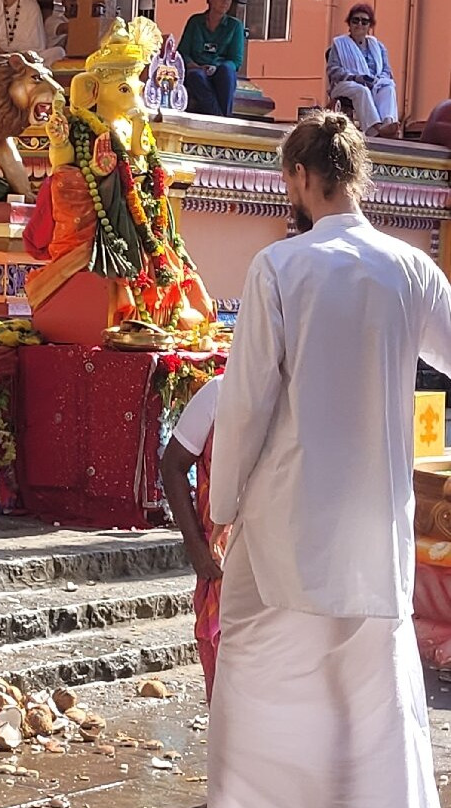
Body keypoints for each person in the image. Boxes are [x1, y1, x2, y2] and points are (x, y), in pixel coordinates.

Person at [207, 110, 450, 807]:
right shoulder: (411, 266)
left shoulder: (279, 265)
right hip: (376, 518)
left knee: (258, 668)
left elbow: (246, 401)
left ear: (298, 177)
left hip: (286, 513)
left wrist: (222, 508)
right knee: (371, 677)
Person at [161, 375, 223, 703]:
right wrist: (195, 547)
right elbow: (173, 464)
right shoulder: (220, 392)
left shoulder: (304, 395)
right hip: (222, 562)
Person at [327, 3, 399, 138]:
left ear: (370, 26)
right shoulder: (339, 44)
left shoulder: (378, 46)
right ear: (349, 24)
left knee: (388, 86)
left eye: (364, 21)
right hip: (345, 84)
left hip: (373, 83)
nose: (360, 24)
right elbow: (333, 70)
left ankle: (387, 122)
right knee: (361, 90)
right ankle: (375, 129)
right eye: (356, 20)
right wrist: (356, 78)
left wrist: (377, 79)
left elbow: (386, 70)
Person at [177, 0, 243, 118]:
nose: (225, 2)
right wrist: (196, 66)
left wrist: (217, 67)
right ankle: (221, 117)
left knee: (226, 71)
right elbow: (183, 53)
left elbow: (236, 61)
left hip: (220, 71)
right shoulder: (195, 22)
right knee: (195, 76)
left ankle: (221, 117)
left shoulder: (235, 26)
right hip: (198, 70)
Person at [0, 0, 62, 70]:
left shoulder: (30, 5)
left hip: (26, 58)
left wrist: (18, 58)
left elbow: (35, 48)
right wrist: (5, 55)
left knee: (58, 52)